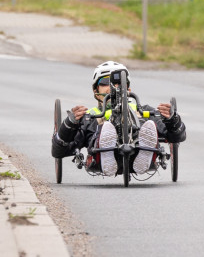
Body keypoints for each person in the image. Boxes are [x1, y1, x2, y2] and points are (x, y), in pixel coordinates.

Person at [52, 61, 186, 176]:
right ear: (95, 90)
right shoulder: (88, 116)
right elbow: (59, 151)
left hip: (138, 146)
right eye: (105, 82)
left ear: (128, 88)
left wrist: (173, 120)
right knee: (101, 128)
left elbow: (177, 137)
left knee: (148, 124)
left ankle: (145, 151)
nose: (113, 87)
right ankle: (105, 151)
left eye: (118, 83)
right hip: (99, 151)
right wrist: (69, 125)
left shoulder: (143, 110)